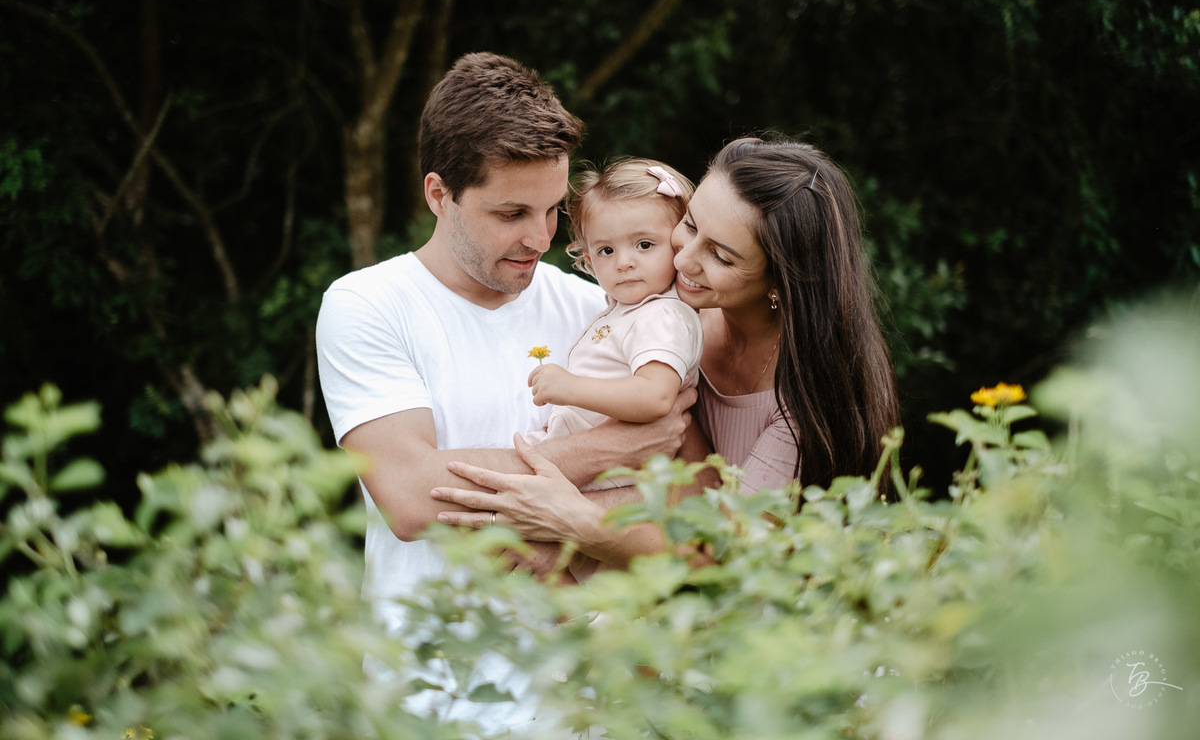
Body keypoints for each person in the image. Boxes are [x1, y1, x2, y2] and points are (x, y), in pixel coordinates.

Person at [315, 52, 693, 732]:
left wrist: (572, 516)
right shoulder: (368, 305)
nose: (540, 238)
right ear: (439, 194)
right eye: (512, 212)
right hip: (432, 701)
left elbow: (676, 498)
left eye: (553, 211)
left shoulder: (602, 311)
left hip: (586, 706)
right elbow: (411, 497)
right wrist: (613, 446)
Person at [431, 135, 900, 568]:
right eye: (689, 225)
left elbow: (726, 550)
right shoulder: (663, 312)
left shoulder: (803, 402)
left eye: (721, 256)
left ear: (780, 281)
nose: (683, 258)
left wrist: (573, 526)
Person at [524, 159, 703, 488]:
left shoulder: (662, 315)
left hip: (613, 470)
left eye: (644, 245)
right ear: (589, 260)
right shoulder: (627, 311)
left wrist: (571, 388)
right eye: (606, 250)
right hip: (587, 460)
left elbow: (655, 396)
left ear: (680, 246)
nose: (624, 262)